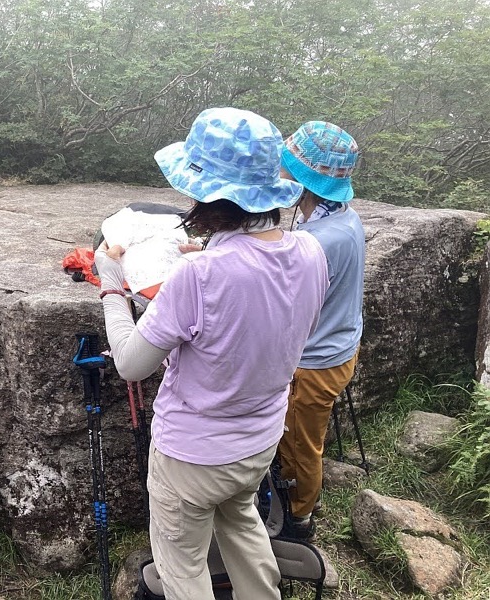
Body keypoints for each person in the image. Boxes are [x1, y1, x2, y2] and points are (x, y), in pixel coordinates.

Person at [94, 107, 329, 600]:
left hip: (192, 456)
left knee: (182, 569)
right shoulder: (311, 252)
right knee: (243, 523)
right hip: (259, 439)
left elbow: (131, 364)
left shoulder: (197, 277)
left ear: (210, 192)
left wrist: (112, 289)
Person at [275, 121, 365, 539]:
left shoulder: (315, 241)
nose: (280, 176)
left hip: (313, 365)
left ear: (303, 182)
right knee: (305, 440)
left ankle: (298, 519)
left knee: (300, 446)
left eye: (286, 170)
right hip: (342, 345)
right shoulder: (344, 220)